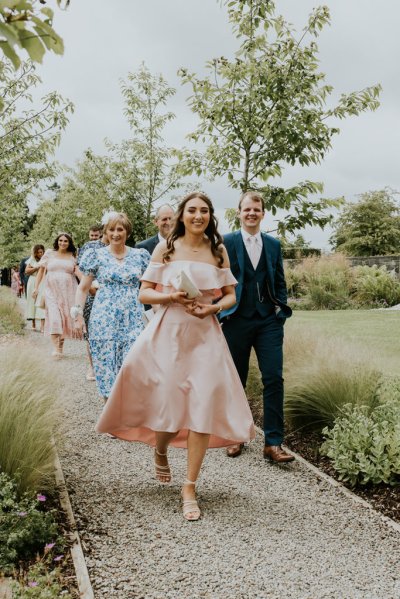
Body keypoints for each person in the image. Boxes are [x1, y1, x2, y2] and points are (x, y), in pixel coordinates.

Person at [92, 192, 255, 521]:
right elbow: (144, 292)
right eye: (192, 210)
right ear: (182, 215)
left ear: (210, 216)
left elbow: (229, 296)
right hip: (169, 334)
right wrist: (171, 297)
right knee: (168, 401)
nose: (198, 216)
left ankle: (189, 487)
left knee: (202, 405)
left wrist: (212, 307)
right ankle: (162, 448)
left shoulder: (217, 250)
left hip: (206, 335)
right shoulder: (165, 248)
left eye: (204, 211)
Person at [220, 191, 294, 463]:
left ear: (263, 213)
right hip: (236, 319)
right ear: (239, 212)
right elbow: (217, 280)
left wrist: (280, 311)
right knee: (235, 379)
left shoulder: (273, 244)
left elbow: (280, 280)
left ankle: (273, 444)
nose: (252, 213)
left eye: (257, 209)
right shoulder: (226, 242)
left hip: (268, 321)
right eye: (247, 209)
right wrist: (222, 312)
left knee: (273, 377)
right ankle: (235, 435)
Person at [73, 213, 150, 401]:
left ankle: (129, 414)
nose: (116, 234)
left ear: (127, 232)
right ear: (106, 233)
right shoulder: (96, 256)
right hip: (104, 319)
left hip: (132, 317)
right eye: (112, 230)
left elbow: (152, 286)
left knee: (132, 364)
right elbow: (83, 288)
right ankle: (111, 416)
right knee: (106, 365)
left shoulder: (140, 256)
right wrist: (77, 316)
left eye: (120, 229)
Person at [32, 233, 82, 357]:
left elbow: (77, 272)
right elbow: (41, 271)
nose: (63, 243)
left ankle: (60, 347)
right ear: (57, 241)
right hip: (51, 290)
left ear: (69, 243)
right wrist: (36, 288)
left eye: (66, 241)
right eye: (61, 240)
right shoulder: (49, 253)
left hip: (68, 290)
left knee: (64, 318)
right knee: (54, 318)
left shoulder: (72, 255)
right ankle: (56, 348)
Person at [76, 224, 107, 381]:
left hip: (111, 296)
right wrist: (89, 286)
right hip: (92, 292)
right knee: (92, 332)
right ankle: (92, 365)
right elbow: (79, 268)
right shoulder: (90, 246)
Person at [25, 244, 45, 332]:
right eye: (39, 252)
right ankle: (33, 323)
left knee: (41, 302)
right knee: (32, 301)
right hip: (33, 280)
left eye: (42, 252)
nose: (41, 253)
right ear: (36, 253)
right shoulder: (32, 259)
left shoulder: (46, 259)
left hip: (42, 281)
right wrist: (37, 267)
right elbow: (27, 271)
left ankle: (42, 326)